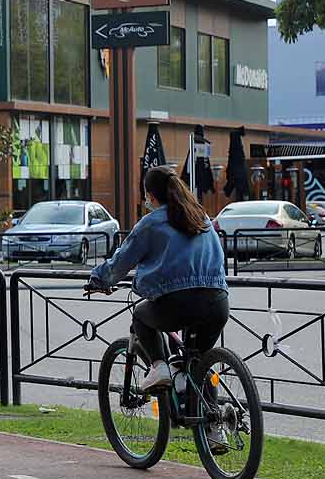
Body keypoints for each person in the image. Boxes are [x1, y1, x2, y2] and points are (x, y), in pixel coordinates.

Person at [87, 166, 230, 443]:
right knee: (198, 362)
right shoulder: (200, 216)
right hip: (217, 301)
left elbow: (122, 261)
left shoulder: (152, 223)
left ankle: (159, 367)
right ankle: (215, 429)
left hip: (178, 302)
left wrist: (99, 279)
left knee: (141, 316)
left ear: (150, 195)